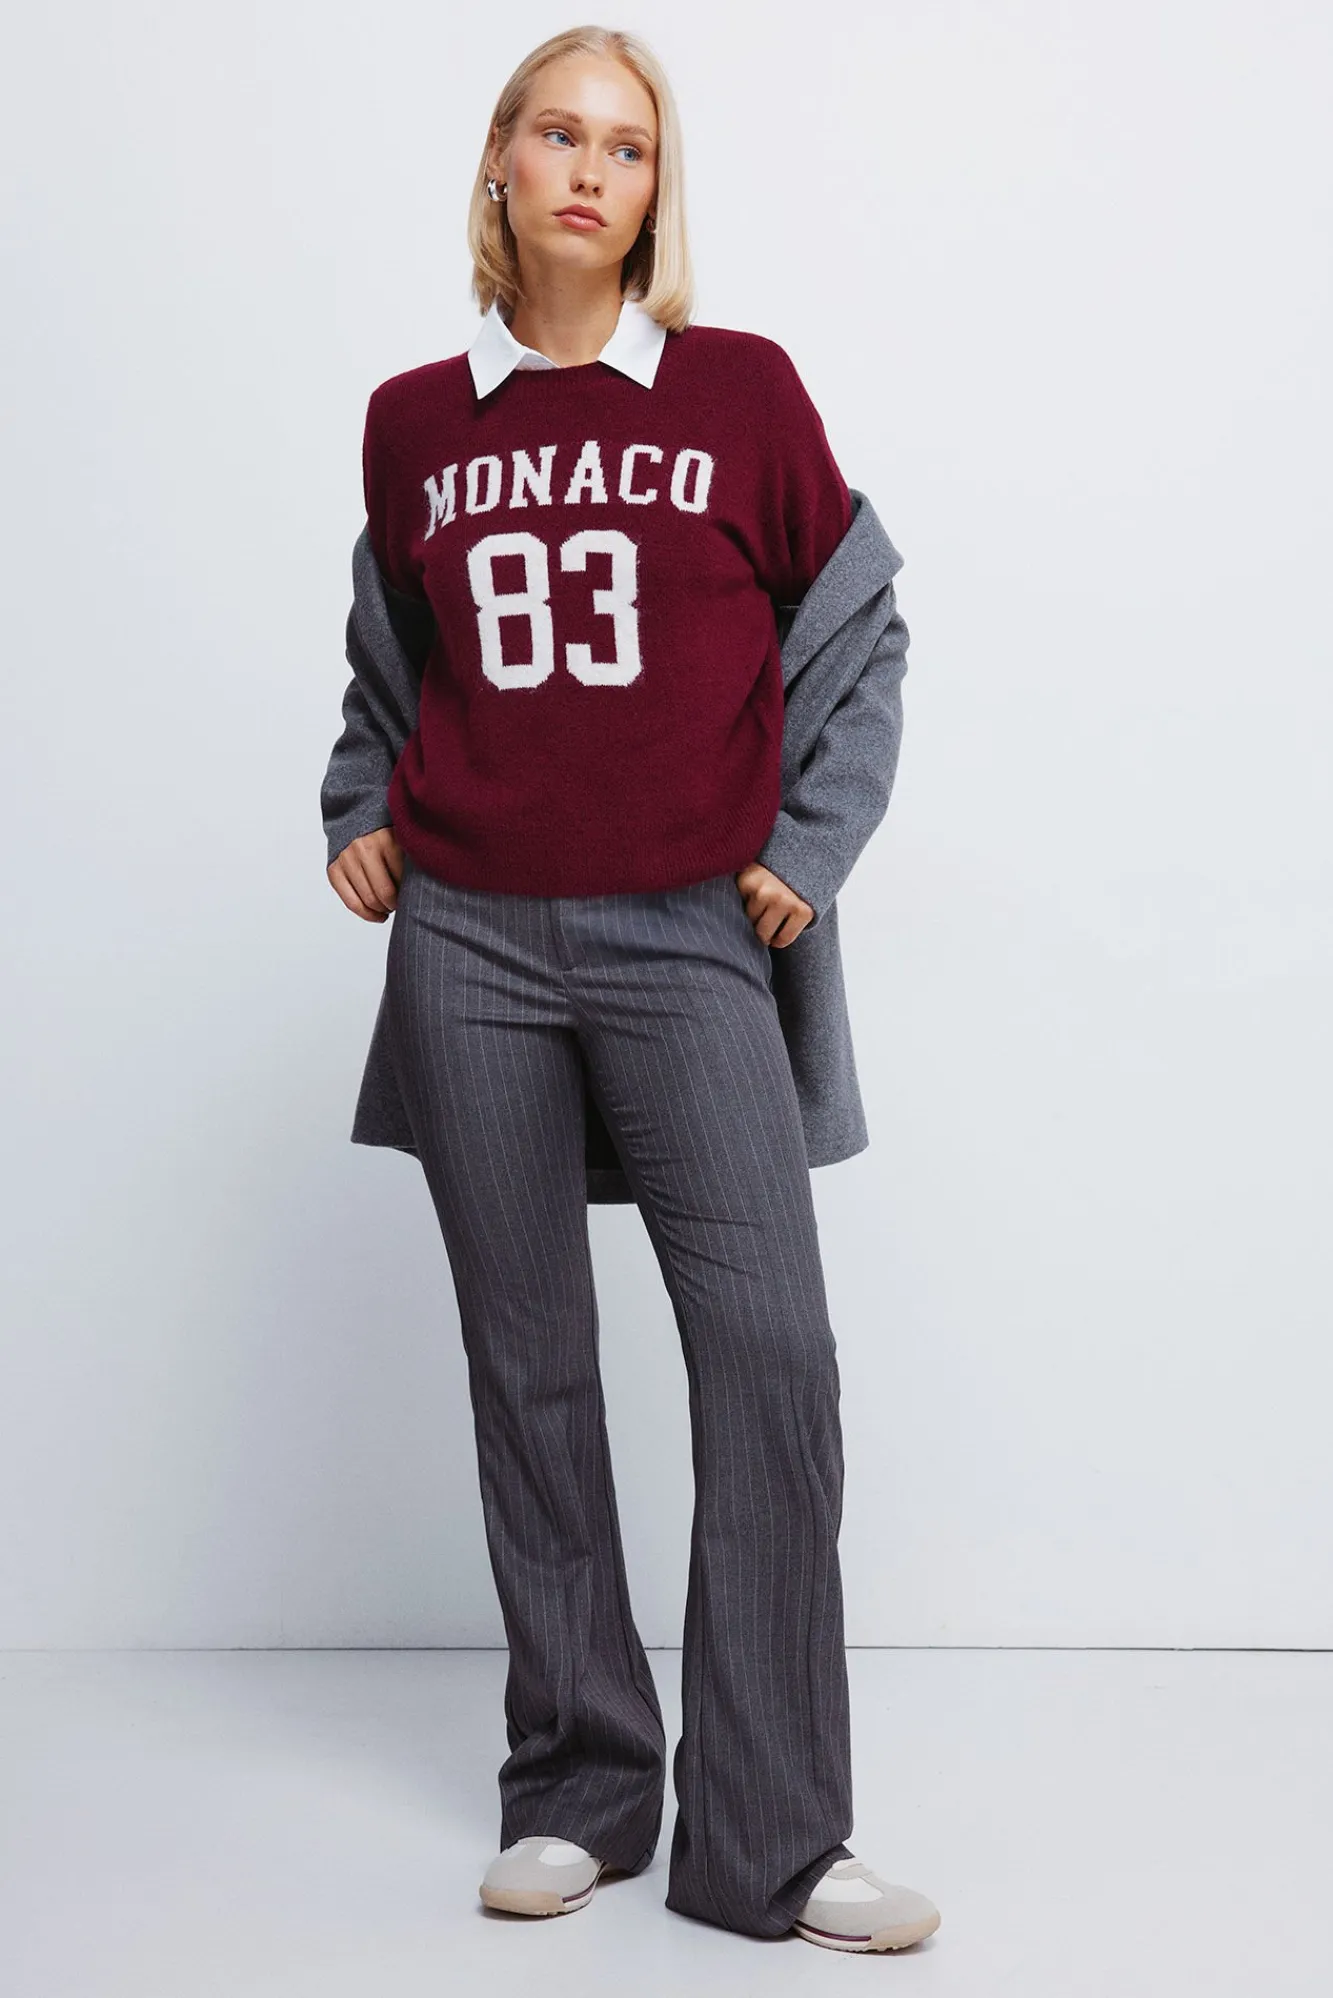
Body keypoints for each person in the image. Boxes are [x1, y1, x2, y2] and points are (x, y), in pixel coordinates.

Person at [325, 24, 940, 1956]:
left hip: (689, 932)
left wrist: (809, 844)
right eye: (557, 133)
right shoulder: (415, 424)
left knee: (771, 1355)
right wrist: (362, 813)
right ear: (500, 165)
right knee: (530, 1364)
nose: (592, 169)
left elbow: (864, 626)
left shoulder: (740, 393)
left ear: (658, 190)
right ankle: (579, 1784)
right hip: (472, 944)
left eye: (629, 145)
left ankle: (770, 1833)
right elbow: (391, 664)